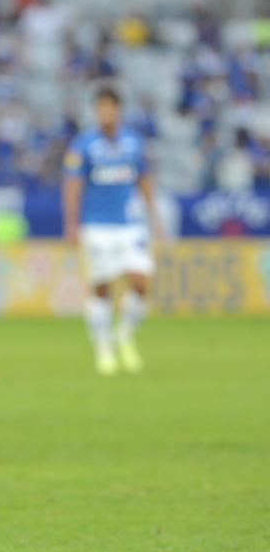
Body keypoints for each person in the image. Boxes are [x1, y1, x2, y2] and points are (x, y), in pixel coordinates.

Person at [62, 86, 162, 375]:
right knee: (101, 287)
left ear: (118, 111)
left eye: (111, 108)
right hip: (96, 226)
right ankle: (103, 347)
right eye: (101, 108)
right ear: (96, 112)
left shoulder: (133, 142)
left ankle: (125, 336)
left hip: (130, 224)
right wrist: (71, 224)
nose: (106, 113)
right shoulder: (83, 145)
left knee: (141, 282)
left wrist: (153, 214)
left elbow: (143, 178)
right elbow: (72, 185)